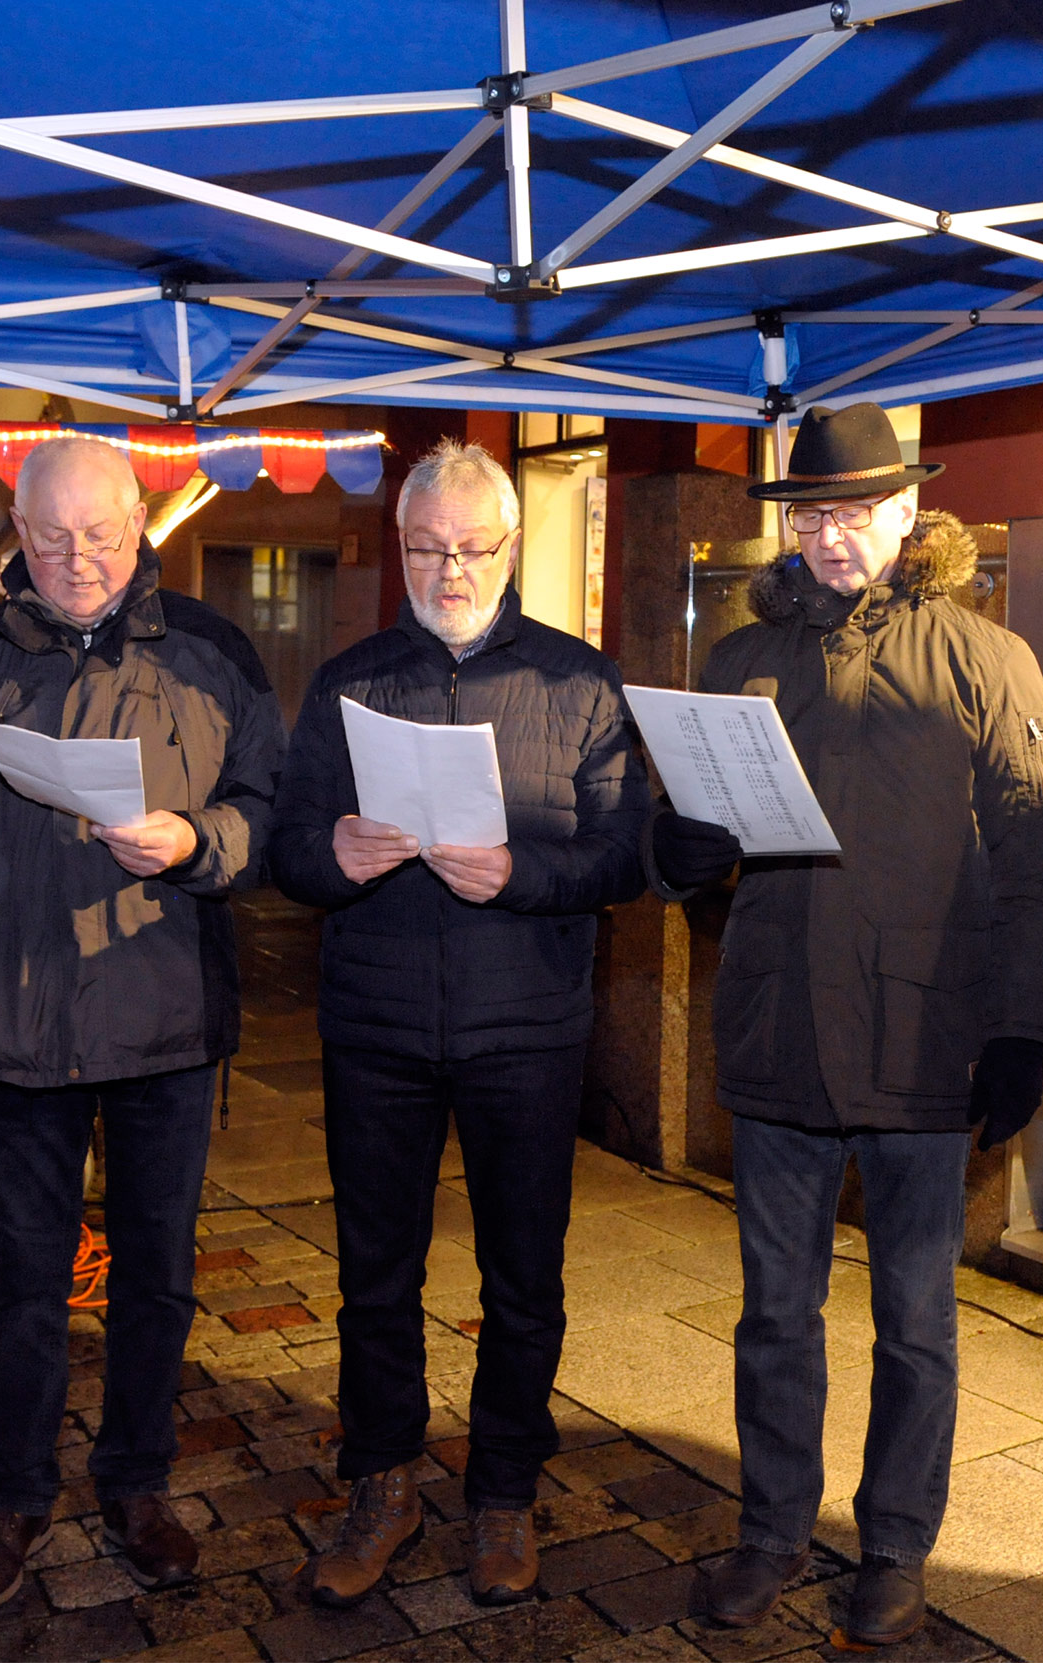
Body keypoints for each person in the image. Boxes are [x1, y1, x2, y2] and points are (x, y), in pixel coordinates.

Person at [640, 402, 1043, 1644]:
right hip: (778, 1033)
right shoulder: (739, 659)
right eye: (814, 516)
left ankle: (894, 1545)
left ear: (907, 514)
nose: (834, 538)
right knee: (774, 1310)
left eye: (857, 513)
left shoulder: (983, 660)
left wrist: (1021, 1032)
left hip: (923, 1040)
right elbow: (694, 840)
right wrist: (674, 853)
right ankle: (770, 1529)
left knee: (914, 1321)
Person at [0, 436, 283, 1613]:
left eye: (99, 533)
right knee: (22, 1283)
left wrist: (198, 842)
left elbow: (270, 805)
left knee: (155, 1278)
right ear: (15, 526)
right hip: (22, 1024)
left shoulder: (213, 651)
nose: (75, 559)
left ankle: (137, 1483)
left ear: (141, 519)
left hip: (166, 1014)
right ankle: (13, 1498)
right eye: (48, 537)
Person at [267, 438, 649, 1610]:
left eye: (470, 547)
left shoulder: (582, 684)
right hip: (376, 1023)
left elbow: (624, 856)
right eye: (426, 547)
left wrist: (520, 874)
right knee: (375, 1275)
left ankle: (503, 1492)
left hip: (524, 1027)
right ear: (401, 547)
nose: (447, 569)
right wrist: (329, 854)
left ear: (512, 545)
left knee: (521, 1276)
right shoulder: (349, 682)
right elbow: (285, 845)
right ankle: (382, 1476)